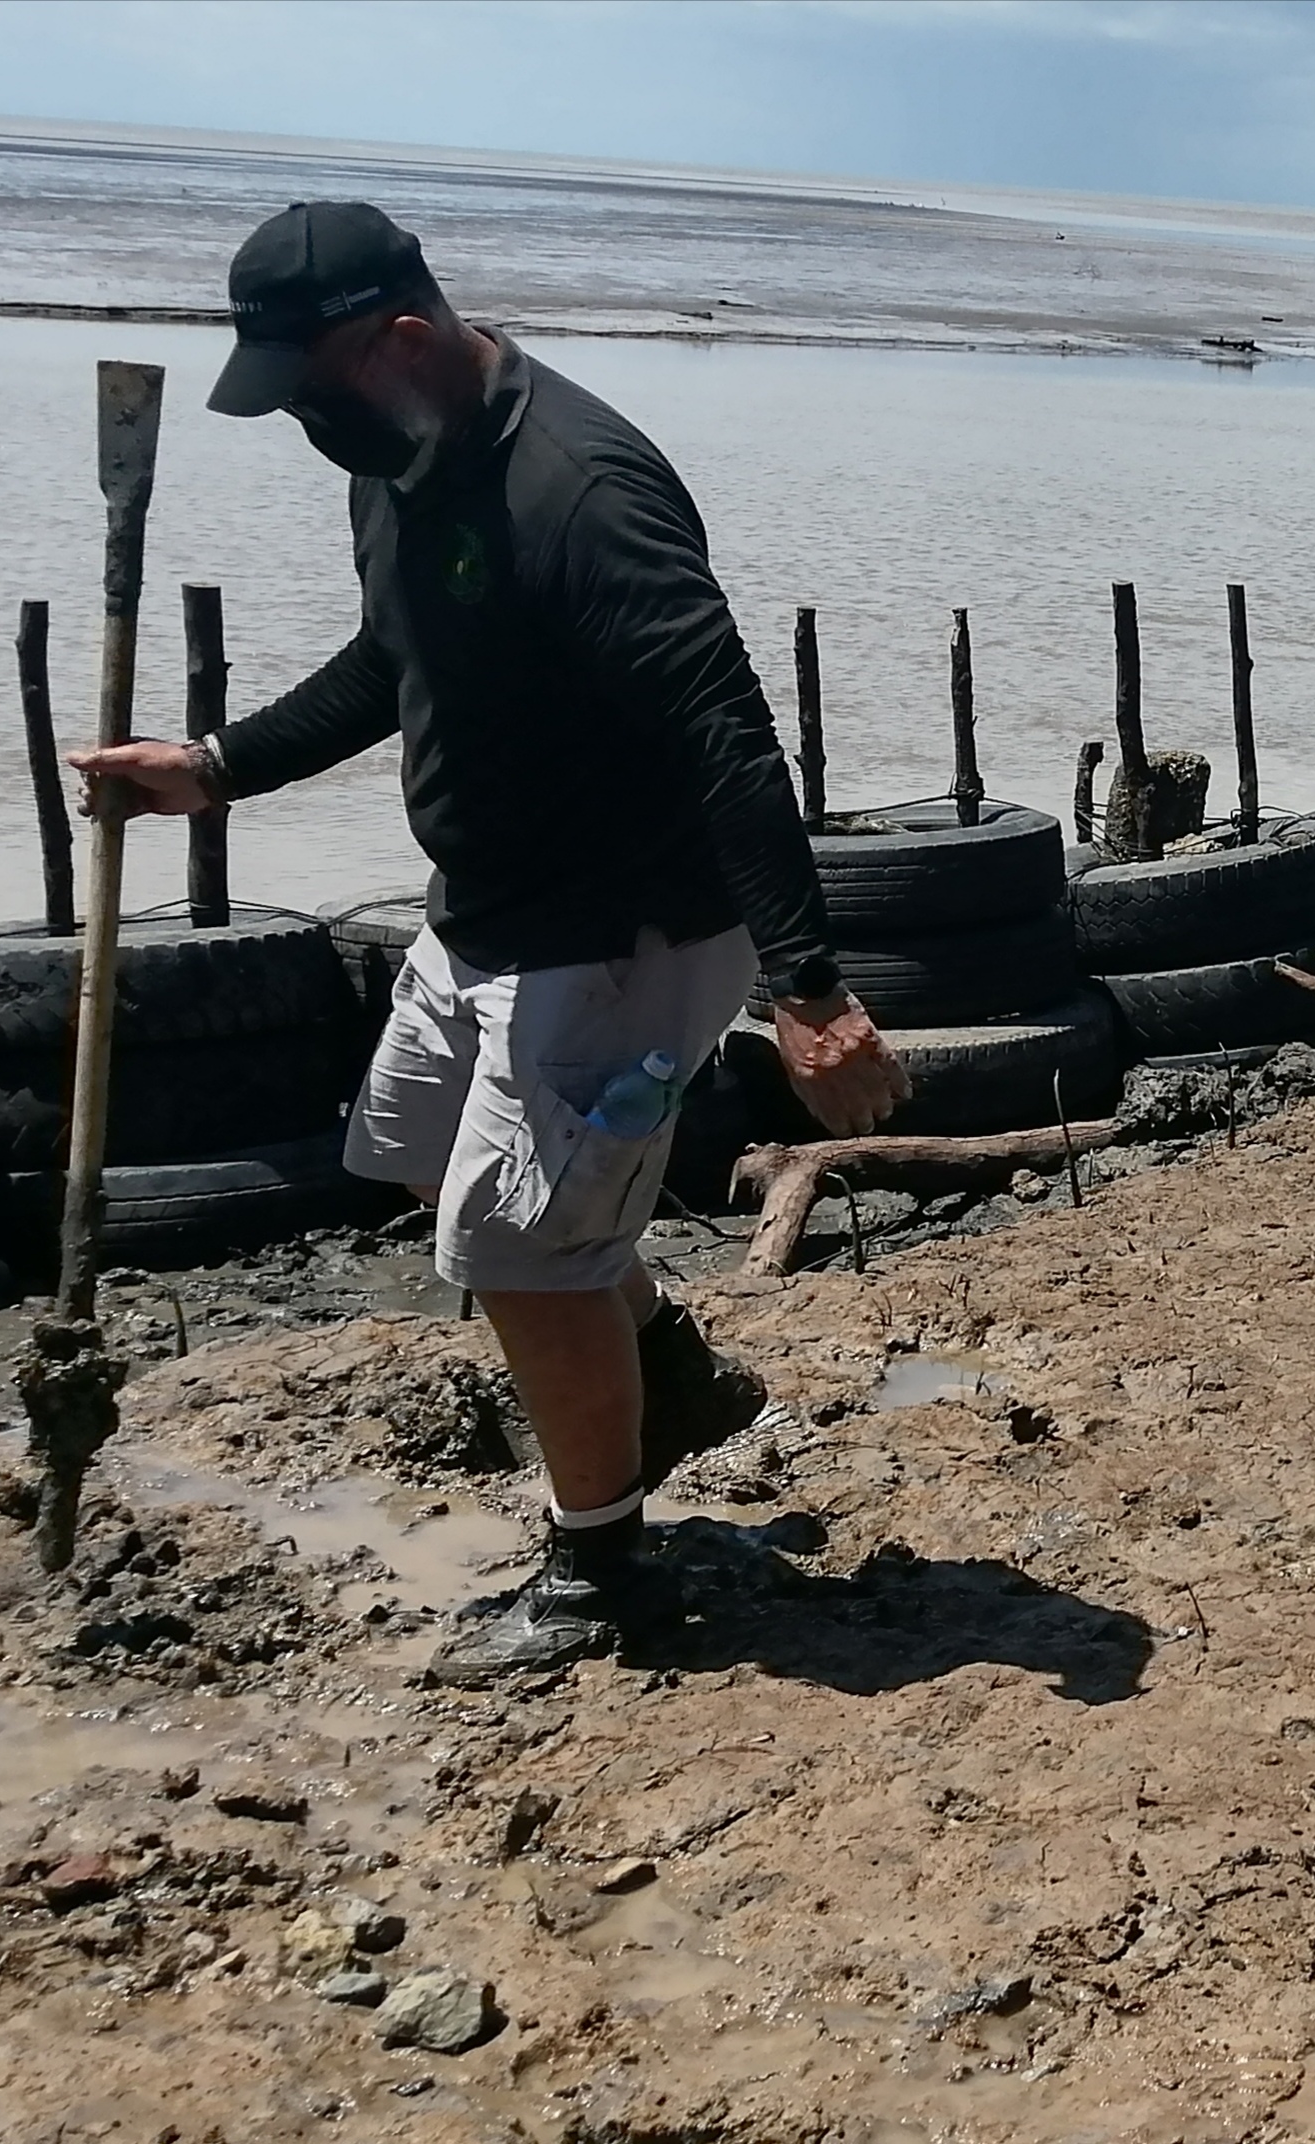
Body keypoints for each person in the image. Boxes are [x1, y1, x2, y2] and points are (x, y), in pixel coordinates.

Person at [74, 201, 911, 1681]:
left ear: (399, 337)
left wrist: (811, 989)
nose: (303, 422)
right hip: (489, 915)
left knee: (523, 1251)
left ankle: (605, 1565)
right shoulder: (400, 457)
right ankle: (669, 1369)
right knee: (419, 1158)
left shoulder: (578, 488)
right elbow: (397, 654)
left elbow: (726, 734)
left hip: (622, 934)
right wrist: (215, 767)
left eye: (314, 385)